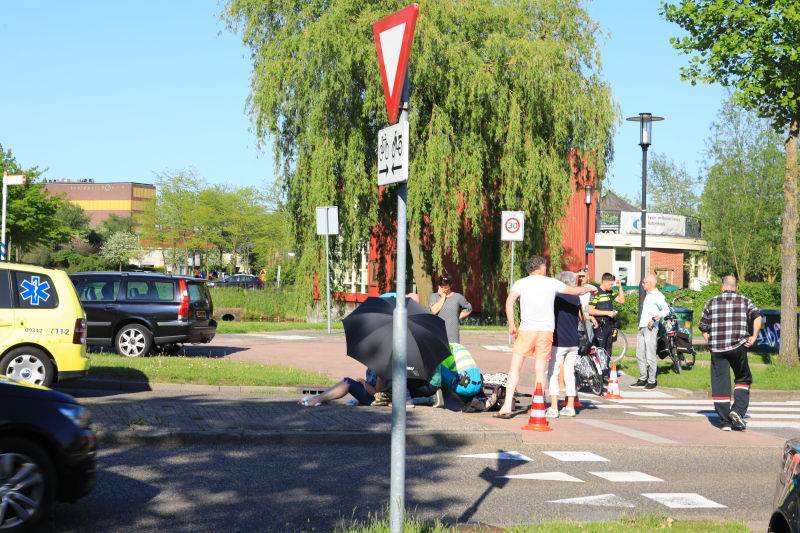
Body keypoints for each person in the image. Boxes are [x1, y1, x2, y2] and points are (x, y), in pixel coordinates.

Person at [495, 255, 597, 418]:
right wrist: (590, 289)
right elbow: (576, 291)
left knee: (515, 367)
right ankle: (539, 404)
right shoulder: (551, 282)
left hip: (526, 330)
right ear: (542, 267)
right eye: (546, 266)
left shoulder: (521, 282)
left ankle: (507, 404)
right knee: (540, 369)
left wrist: (512, 326)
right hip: (545, 331)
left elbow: (509, 302)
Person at [698, 276, 762, 431]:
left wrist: (710, 341)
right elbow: (757, 316)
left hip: (717, 349)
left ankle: (725, 422)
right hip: (737, 346)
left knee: (720, 383)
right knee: (743, 377)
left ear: (722, 287)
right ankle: (738, 410)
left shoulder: (711, 301)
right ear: (736, 288)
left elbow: (702, 326)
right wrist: (753, 337)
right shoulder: (745, 300)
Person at [546, 271, 583, 418]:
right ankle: (570, 407)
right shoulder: (576, 298)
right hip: (574, 341)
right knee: (569, 373)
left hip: (559, 340)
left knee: (553, 374)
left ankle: (554, 408)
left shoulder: (556, 298)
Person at [631, 275, 669, 390]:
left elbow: (666, 309)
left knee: (650, 354)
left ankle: (652, 381)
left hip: (651, 328)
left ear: (651, 283)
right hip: (643, 327)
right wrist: (640, 324)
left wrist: (654, 319)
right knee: (639, 353)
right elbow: (646, 311)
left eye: (644, 282)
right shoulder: (648, 295)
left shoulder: (657, 295)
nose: (642, 284)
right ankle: (643, 378)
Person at [298, 368, 387, 406]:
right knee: (346, 380)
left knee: (349, 384)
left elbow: (377, 393)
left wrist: (363, 382)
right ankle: (321, 397)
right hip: (368, 393)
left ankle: (316, 400)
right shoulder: (373, 366)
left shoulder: (382, 369)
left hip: (374, 400)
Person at [588, 273, 625, 357]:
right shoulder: (596, 292)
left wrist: (620, 287)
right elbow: (591, 310)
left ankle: (605, 369)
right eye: (611, 284)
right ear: (604, 283)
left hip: (609, 326)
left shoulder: (609, 292)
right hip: (600, 326)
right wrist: (607, 313)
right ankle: (599, 369)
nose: (612, 286)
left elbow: (621, 301)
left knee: (608, 351)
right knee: (600, 351)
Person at [429, 273, 472, 343]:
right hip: (438, 334)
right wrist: (443, 297)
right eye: (441, 287)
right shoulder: (434, 297)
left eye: (445, 288)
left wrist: (457, 316)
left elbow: (469, 308)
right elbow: (433, 311)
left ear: (450, 285)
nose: (443, 290)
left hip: (453, 335)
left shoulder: (457, 297)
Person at [440, 343, 483, 412]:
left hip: (465, 385)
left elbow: (441, 378)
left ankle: (466, 400)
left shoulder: (441, 352)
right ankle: (470, 400)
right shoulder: (455, 345)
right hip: (478, 384)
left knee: (438, 369)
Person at [576, 268, 598, 338]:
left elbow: (595, 303)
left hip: (588, 318)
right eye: (580, 276)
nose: (581, 278)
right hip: (576, 318)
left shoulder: (592, 288)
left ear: (588, 277)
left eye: (583, 276)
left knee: (588, 339)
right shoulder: (574, 288)